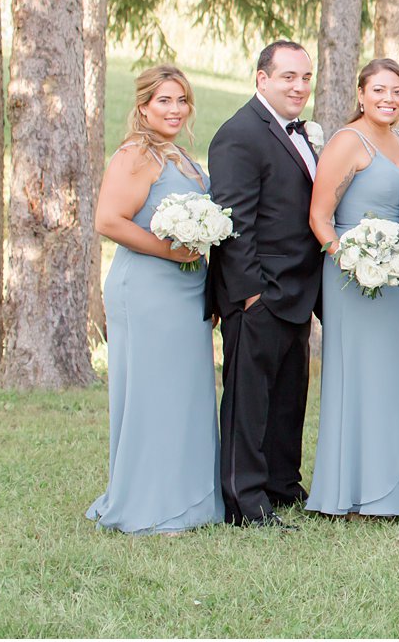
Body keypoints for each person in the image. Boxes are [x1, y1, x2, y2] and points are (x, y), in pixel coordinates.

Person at [88, 65, 224, 534]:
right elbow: (109, 221)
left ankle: (190, 500)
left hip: (188, 288)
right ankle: (150, 503)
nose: (174, 109)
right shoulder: (135, 154)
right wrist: (172, 249)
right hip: (147, 287)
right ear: (143, 106)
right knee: (152, 392)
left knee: (185, 392)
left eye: (181, 100)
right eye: (163, 100)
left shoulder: (182, 156)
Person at [208, 41, 322, 529]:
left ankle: (281, 484)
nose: (299, 86)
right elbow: (234, 220)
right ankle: (245, 500)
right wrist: (251, 293)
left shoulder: (297, 133)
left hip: (298, 288)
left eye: (305, 77)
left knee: (288, 395)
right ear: (262, 79)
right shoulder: (240, 134)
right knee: (249, 401)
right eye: (288, 77)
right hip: (259, 291)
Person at [304, 59, 399, 518]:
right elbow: (320, 217)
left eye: (397, 91)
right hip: (352, 277)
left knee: (392, 377)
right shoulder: (346, 142)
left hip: (395, 279)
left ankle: (391, 487)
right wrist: (351, 260)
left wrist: (393, 261)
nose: (388, 99)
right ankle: (350, 490)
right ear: (361, 94)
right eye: (379, 90)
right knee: (357, 376)